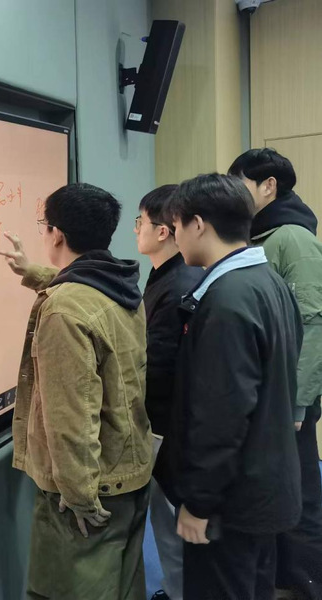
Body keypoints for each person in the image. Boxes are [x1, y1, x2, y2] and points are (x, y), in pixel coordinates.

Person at [0, 183, 152, 600]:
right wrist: (32, 273)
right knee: (124, 587)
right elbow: (83, 290)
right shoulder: (121, 286)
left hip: (90, 491)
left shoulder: (64, 311)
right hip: (129, 470)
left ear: (57, 234)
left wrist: (79, 495)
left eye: (44, 225)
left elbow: (70, 417)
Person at [154, 173, 303, 600]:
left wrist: (200, 502)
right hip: (262, 486)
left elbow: (221, 414)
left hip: (230, 501)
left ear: (198, 224)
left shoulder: (225, 299)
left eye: (177, 226)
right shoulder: (267, 279)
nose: (175, 237)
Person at [229, 148, 322, 600]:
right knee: (276, 493)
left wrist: (299, 401)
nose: (234, 193)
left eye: (241, 183)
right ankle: (285, 580)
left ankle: (307, 584)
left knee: (301, 494)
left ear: (269, 186)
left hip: (291, 397)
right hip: (271, 393)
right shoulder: (261, 232)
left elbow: (314, 321)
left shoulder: (293, 237)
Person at [135, 185, 204, 600]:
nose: (136, 230)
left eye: (140, 222)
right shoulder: (167, 275)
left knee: (171, 524)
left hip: (166, 427)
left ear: (164, 231)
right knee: (167, 526)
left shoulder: (179, 282)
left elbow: (158, 366)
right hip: (166, 423)